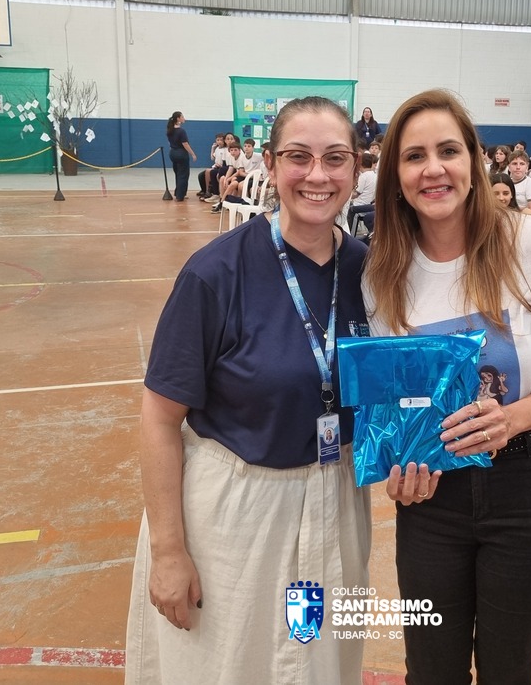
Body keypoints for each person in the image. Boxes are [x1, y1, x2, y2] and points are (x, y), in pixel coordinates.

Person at [362, 88, 531, 684]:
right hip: (433, 499)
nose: (433, 168)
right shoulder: (382, 272)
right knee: (431, 670)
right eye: (414, 156)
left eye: (448, 150)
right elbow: (393, 403)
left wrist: (511, 418)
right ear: (396, 176)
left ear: (474, 161)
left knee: (509, 670)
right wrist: (398, 463)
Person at [126, 96, 371, 684]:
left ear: (356, 169)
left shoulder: (372, 272)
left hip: (335, 503)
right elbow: (159, 419)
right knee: (228, 666)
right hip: (236, 516)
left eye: (335, 158)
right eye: (298, 157)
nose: (317, 175)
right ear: (270, 163)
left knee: (316, 664)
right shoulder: (215, 273)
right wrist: (168, 550)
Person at [166, 111, 197, 201]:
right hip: (181, 154)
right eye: (182, 117)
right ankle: (180, 195)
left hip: (172, 153)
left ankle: (178, 192)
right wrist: (193, 154)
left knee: (178, 173)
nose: (184, 118)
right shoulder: (181, 131)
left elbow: (169, 143)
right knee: (183, 175)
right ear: (178, 119)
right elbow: (185, 144)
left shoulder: (170, 130)